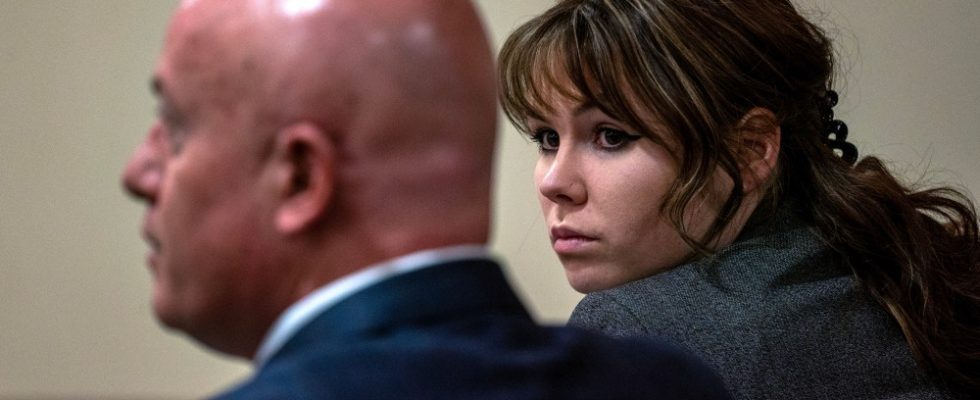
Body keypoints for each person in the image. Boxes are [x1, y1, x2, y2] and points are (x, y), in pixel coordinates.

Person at [120, 0, 735, 398]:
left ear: (301, 178)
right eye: (545, 139)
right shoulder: (672, 384)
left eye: (174, 130)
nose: (138, 173)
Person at [498, 0, 980, 398]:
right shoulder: (903, 271)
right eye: (546, 138)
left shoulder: (639, 334)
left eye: (611, 135)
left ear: (751, 150)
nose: (554, 182)